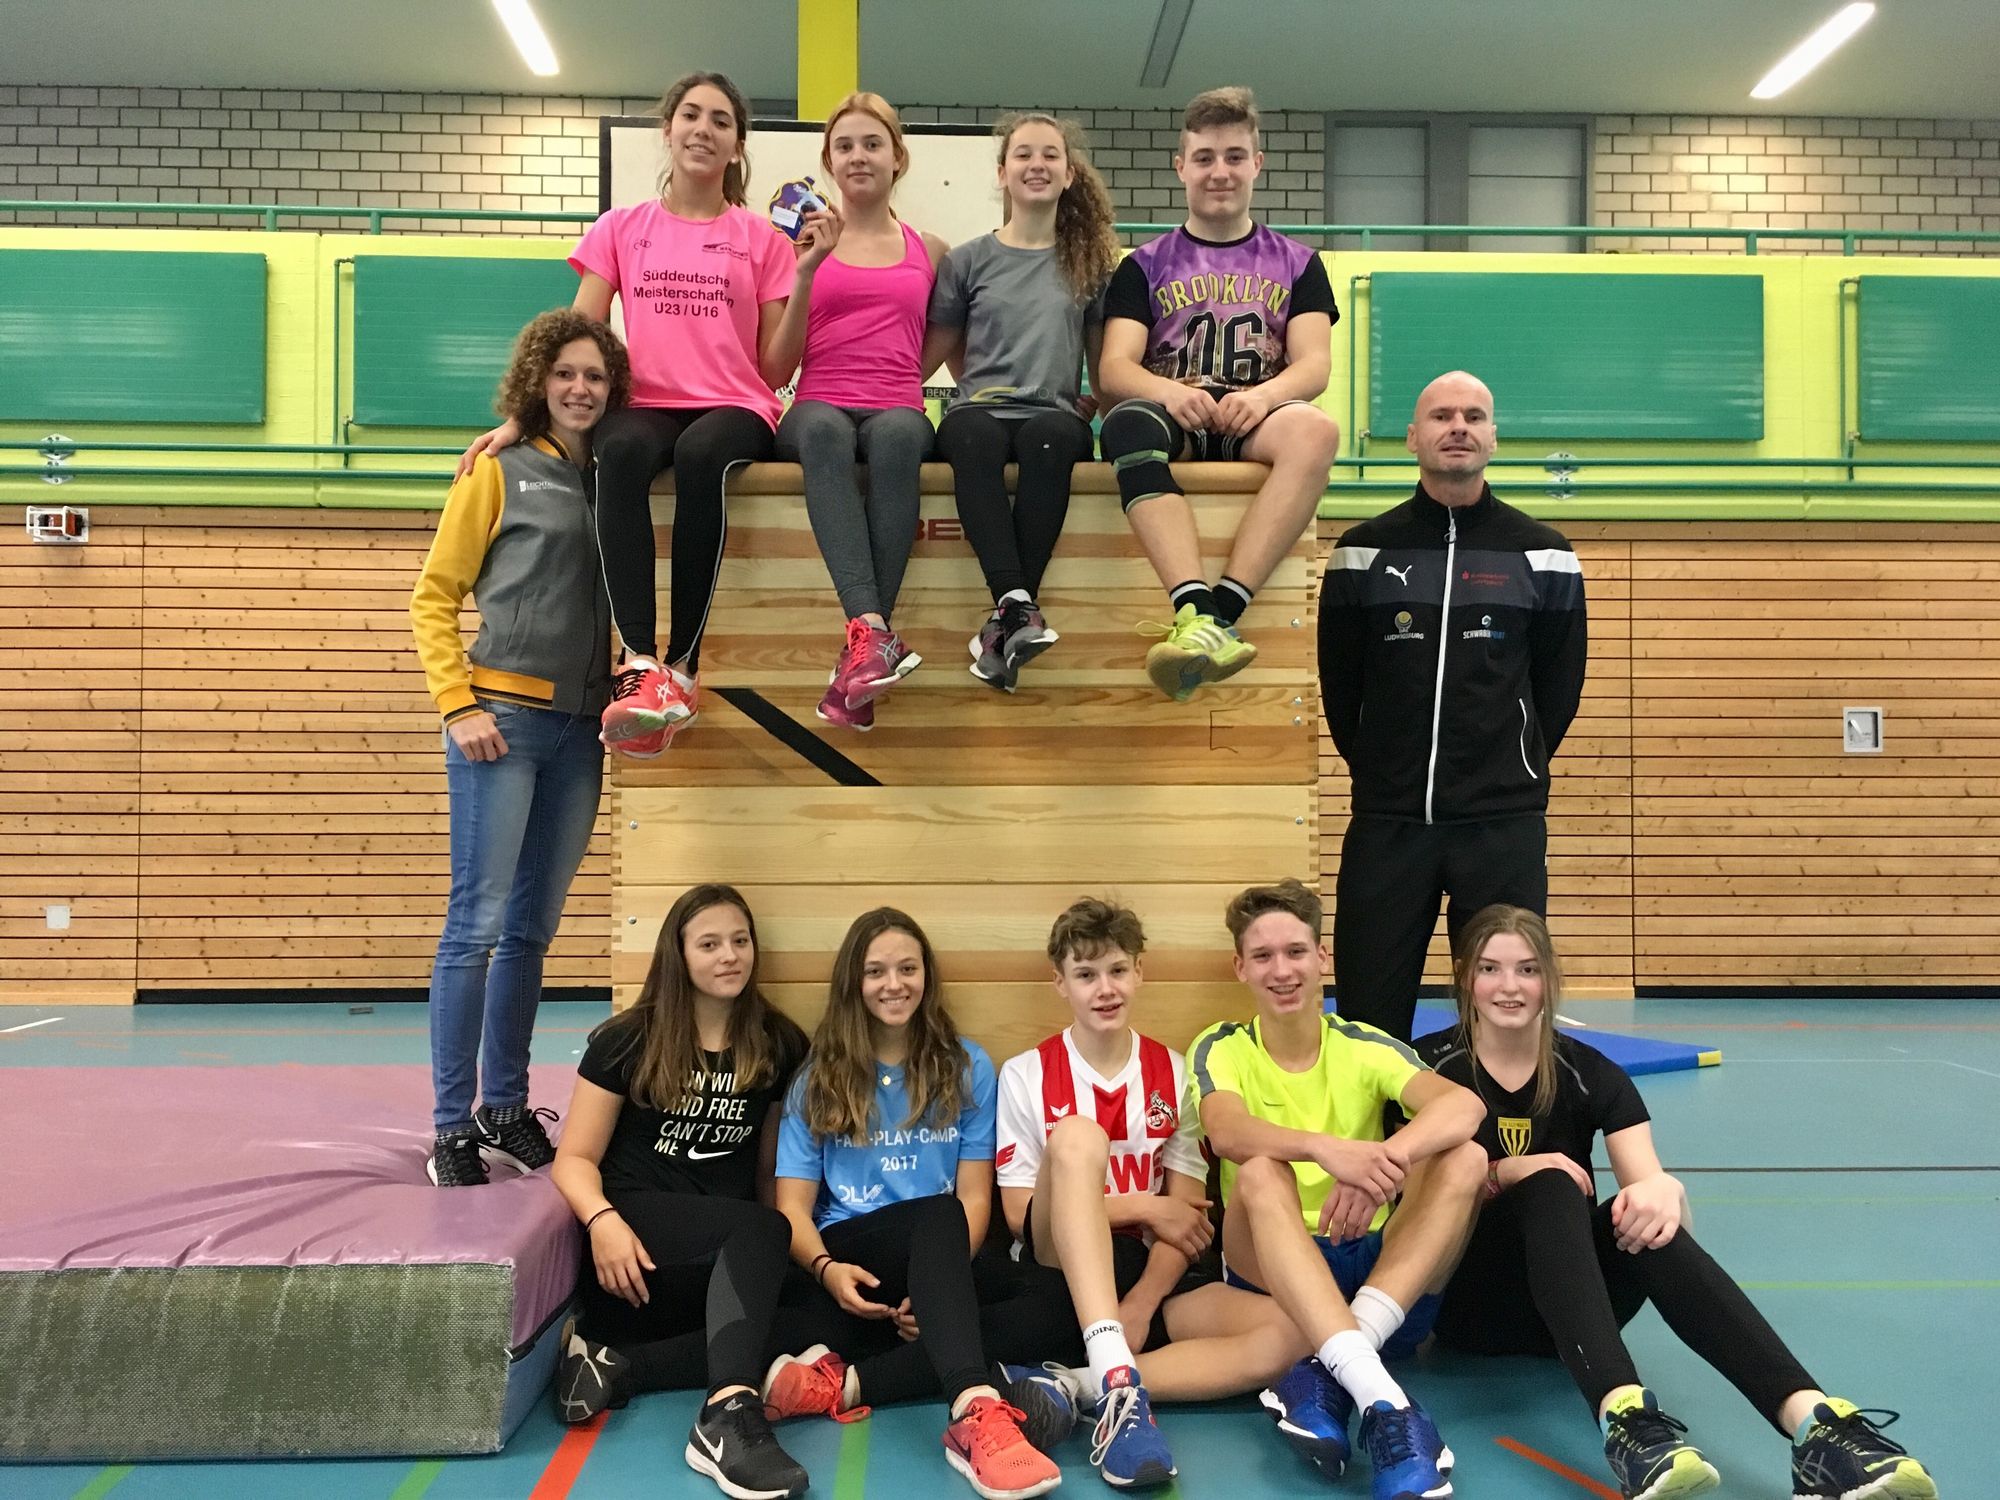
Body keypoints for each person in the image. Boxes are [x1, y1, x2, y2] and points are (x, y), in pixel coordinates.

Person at [1416, 905, 1938, 1500]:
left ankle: (1814, 1427)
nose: (1509, 986)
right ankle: (1626, 1424)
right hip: (1466, 1303)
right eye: (1490, 968)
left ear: (1549, 978)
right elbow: (1411, 1217)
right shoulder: (1429, 1069)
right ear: (1466, 976)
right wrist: (1510, 1171)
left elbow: (1662, 1216)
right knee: (1554, 1183)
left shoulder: (1590, 1073)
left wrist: (1663, 1192)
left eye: (1527, 969)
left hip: (1574, 1311)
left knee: (1639, 1215)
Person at [460, 71, 836, 757]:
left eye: (720, 120)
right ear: (668, 130)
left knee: (701, 455)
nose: (703, 129)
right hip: (650, 404)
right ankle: (639, 662)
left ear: (737, 144)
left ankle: (684, 665)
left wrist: (806, 277)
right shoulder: (622, 228)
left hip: (735, 404)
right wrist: (522, 418)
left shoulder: (760, 238)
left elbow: (775, 370)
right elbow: (574, 339)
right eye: (690, 115)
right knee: (621, 448)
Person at [410, 308, 628, 1188]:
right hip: (501, 723)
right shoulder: (497, 471)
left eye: (596, 376)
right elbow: (434, 595)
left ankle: (504, 1107)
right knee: (477, 925)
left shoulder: (616, 475)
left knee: (532, 932)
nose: (580, 389)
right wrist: (456, 703)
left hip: (583, 731)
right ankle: (449, 1127)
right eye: (564, 373)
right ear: (537, 381)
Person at [987, 898, 1310, 1489]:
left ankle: (1086, 1383)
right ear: (1060, 982)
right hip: (1054, 1261)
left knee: (1290, 1332)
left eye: (1117, 970)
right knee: (1078, 1136)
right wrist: (1143, 1205)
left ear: (1140, 970)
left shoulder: (1176, 1072)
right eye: (1086, 975)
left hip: (1146, 1273)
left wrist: (1139, 1304)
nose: (1105, 989)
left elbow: (1187, 1221)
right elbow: (1017, 1215)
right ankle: (1116, 1384)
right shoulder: (1025, 1074)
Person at [1188, 878, 1487, 1500]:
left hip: (1377, 1270)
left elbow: (1464, 1106)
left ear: (1322, 957)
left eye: (1296, 951)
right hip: (1274, 1273)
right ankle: (1385, 1402)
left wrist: (1385, 1163)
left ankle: (1331, 1366)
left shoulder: (1361, 1044)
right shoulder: (1223, 1046)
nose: (1282, 970)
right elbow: (1227, 1131)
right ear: (1240, 967)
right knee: (1262, 1169)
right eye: (1263, 956)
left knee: (1466, 1158)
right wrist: (1324, 1148)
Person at [1320, 369, 1587, 1044]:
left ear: (1494, 437)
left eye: (1473, 416)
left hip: (1502, 827)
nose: (1458, 427)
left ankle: (1494, 1121)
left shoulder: (1545, 554)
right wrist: (1383, 767)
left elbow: (1558, 688)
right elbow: (1340, 684)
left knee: (1505, 1016)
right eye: (1442, 416)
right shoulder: (1362, 551)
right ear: (1413, 437)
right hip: (1388, 825)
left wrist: (1511, 763)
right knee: (1367, 1017)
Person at [766, 908, 1061, 1500]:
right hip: (854, 1259)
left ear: (927, 975)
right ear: (853, 982)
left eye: (907, 968)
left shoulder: (966, 1066)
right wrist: (826, 1271)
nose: (894, 984)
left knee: (1059, 1302)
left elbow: (976, 1195)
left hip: (940, 1254)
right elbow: (792, 1210)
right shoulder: (818, 1078)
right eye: (876, 971)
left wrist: (933, 1288)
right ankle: (974, 1407)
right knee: (937, 1213)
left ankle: (847, 1384)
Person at [548, 885, 813, 1500]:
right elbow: (574, 1159)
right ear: (680, 954)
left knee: (820, 1314)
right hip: (632, 1253)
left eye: (740, 941)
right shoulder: (626, 1039)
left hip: (715, 1263)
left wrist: (785, 1266)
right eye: (710, 944)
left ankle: (617, 1368)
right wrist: (602, 1222)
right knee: (762, 1228)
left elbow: (767, 1176)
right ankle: (726, 1416)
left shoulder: (778, 1044)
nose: (730, 956)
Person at [1095, 86, 1342, 702]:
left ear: (1257, 164)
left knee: (1318, 430)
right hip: (1177, 414)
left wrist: (1264, 398)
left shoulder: (1298, 263)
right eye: (1204, 158)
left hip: (1252, 416)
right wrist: (1166, 392)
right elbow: (1115, 367)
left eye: (1234, 156)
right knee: (1124, 423)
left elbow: (1314, 364)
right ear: (1181, 167)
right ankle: (1194, 608)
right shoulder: (1143, 264)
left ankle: (1221, 614)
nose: (1220, 172)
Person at [773, 92, 949, 731]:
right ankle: (872, 635)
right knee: (823, 428)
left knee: (901, 433)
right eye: (844, 146)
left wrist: (898, 377)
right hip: (816, 403)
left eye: (872, 144)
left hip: (895, 406)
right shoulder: (799, 245)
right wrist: (806, 272)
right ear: (829, 161)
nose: (858, 156)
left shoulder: (930, 249)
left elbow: (944, 336)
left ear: (897, 156)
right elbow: (779, 363)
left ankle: (862, 658)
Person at [928, 113, 1121, 693]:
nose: (1037, 164)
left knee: (1052, 439)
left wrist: (1105, 407)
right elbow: (939, 350)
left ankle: (1006, 619)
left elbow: (1103, 363)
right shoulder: (967, 261)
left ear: (1068, 174)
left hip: (1052, 416)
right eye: (1023, 155)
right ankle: (1016, 608)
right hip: (977, 413)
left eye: (1050, 155)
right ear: (1002, 172)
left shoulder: (1090, 266)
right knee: (973, 436)